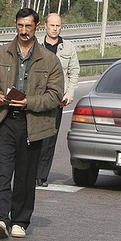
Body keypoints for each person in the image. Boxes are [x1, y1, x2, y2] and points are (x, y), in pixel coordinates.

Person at [0, 8, 64, 239]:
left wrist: (29, 102)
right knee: (3, 171)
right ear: (15, 25)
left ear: (37, 26)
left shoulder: (50, 60)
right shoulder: (0, 55)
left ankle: (19, 220)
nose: (24, 31)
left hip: (34, 124)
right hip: (6, 120)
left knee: (26, 175)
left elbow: (55, 95)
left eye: (28, 26)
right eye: (20, 26)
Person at [36, 13, 80, 187]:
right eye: (52, 25)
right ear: (46, 26)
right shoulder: (37, 46)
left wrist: (69, 93)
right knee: (32, 136)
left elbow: (74, 71)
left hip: (56, 99)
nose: (55, 29)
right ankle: (29, 171)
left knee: (49, 138)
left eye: (58, 26)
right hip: (37, 98)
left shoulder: (68, 47)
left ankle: (41, 176)